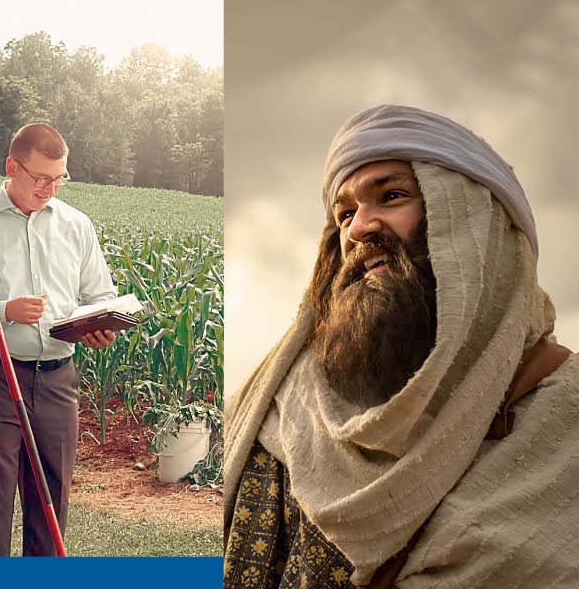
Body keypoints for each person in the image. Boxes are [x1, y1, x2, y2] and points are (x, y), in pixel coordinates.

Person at [223, 105, 579, 587]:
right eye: (344, 214)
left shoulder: (565, 418)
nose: (358, 229)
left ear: (475, 226)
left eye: (390, 196)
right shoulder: (283, 414)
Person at [0, 122, 119, 557]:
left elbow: (102, 294)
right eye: (41, 178)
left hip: (59, 380)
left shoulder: (77, 226)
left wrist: (100, 324)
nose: (50, 188)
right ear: (11, 167)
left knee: (51, 500)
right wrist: (7, 312)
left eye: (58, 179)